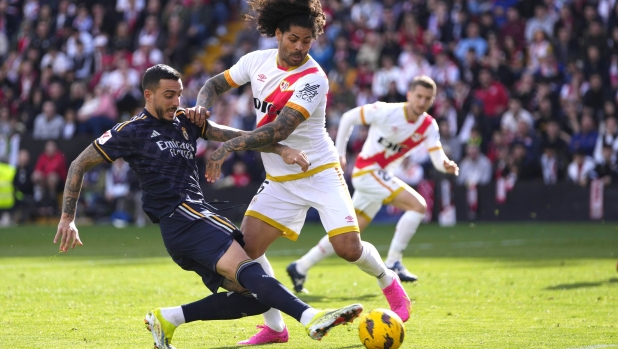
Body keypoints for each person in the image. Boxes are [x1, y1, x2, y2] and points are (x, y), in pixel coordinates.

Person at [53, 64, 363, 349]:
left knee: (256, 298)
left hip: (193, 219)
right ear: (148, 95)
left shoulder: (187, 123)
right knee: (250, 270)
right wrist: (68, 217)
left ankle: (169, 318)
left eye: (179, 94)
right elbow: (79, 164)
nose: (177, 101)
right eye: (168, 95)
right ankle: (310, 318)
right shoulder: (131, 131)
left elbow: (237, 135)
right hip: (182, 218)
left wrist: (281, 148)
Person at [189, 0, 412, 345]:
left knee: (348, 249)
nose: (299, 47)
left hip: (319, 171)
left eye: (306, 41)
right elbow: (215, 84)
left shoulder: (313, 79)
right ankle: (275, 329)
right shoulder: (256, 61)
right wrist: (203, 104)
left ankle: (388, 281)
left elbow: (278, 131)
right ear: (278, 34)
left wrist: (230, 144)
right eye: (293, 39)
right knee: (244, 257)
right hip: (279, 180)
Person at [287, 76, 459, 289]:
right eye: (419, 96)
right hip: (367, 171)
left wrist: (447, 165)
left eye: (427, 98)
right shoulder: (386, 111)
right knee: (418, 206)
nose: (422, 102)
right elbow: (349, 117)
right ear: (409, 95)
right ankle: (394, 261)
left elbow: (438, 159)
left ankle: (300, 266)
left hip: (379, 178)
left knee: (348, 233)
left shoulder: (428, 125)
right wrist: (340, 153)